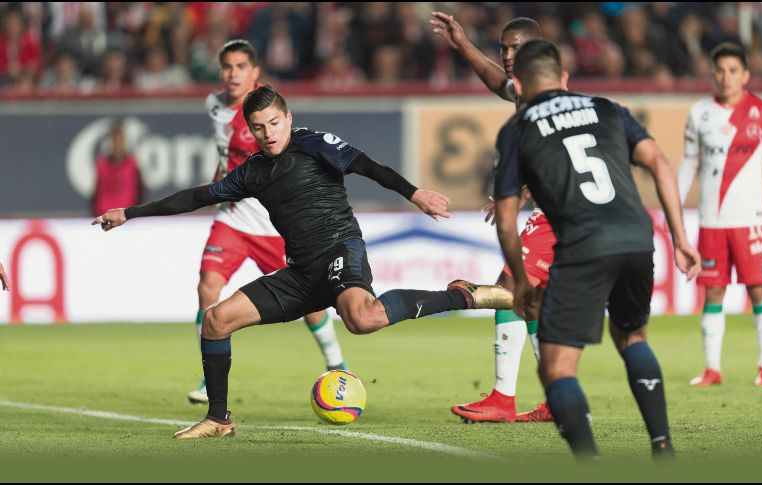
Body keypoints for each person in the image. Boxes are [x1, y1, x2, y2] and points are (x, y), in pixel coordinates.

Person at [93, 85, 514, 440]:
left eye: (274, 123)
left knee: (362, 319)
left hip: (339, 249)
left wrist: (414, 193)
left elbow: (367, 166)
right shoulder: (253, 171)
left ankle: (461, 295)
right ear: (250, 130)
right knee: (216, 320)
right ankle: (218, 419)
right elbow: (196, 197)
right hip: (300, 273)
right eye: (258, 127)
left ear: (288, 118)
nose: (268, 133)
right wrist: (129, 213)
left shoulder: (314, 143)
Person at [494, 39, 700, 458]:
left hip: (582, 243)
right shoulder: (606, 108)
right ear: (564, 79)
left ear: (516, 83)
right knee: (632, 337)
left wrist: (519, 282)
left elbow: (504, 219)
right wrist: (680, 237)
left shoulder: (517, 128)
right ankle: (662, 445)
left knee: (556, 368)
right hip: (637, 235)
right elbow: (660, 162)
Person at [187, 39, 348, 405]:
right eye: (227, 67)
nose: (233, 74)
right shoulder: (213, 105)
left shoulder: (264, 114)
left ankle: (337, 361)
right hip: (231, 220)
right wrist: (216, 187)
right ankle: (206, 372)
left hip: (270, 224)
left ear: (255, 72)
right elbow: (224, 155)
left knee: (310, 302)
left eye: (241, 67)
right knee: (207, 287)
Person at [430, 12, 553, 422]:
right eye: (504, 47)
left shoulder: (543, 98)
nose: (507, 54)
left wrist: (518, 194)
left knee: (508, 289)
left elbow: (556, 155)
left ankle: (503, 399)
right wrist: (461, 41)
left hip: (558, 213)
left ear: (535, 49)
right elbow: (494, 78)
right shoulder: (528, 89)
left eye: (516, 47)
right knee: (529, 303)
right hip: (563, 212)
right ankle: (556, 399)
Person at [678, 42, 762, 388]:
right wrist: (676, 205)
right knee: (713, 293)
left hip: (751, 220)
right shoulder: (700, 113)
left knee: (759, 289)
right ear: (712, 74)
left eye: (733, 70)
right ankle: (712, 368)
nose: (725, 76)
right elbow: (689, 163)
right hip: (711, 222)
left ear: (745, 75)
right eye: (720, 70)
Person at [92, 120, 142, 217]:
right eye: (115, 140)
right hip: (105, 216)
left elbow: (140, 192)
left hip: (126, 217)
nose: (118, 144)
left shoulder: (132, 165)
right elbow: (96, 193)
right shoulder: (102, 165)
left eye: (120, 140)